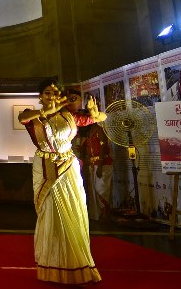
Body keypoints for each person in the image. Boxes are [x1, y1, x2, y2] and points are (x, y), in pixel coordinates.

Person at [18, 80, 106, 285]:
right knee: (50, 213)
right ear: (40, 97)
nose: (51, 96)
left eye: (55, 93)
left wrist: (95, 113)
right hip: (46, 168)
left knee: (73, 211)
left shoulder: (70, 116)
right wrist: (49, 110)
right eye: (47, 93)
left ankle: (77, 262)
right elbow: (22, 118)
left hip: (68, 167)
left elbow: (101, 118)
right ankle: (51, 263)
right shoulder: (33, 116)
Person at [67, 88, 113, 221]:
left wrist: (99, 167)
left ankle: (105, 215)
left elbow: (104, 147)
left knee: (102, 190)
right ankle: (97, 216)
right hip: (93, 164)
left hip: (102, 164)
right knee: (94, 190)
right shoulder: (87, 132)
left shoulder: (99, 130)